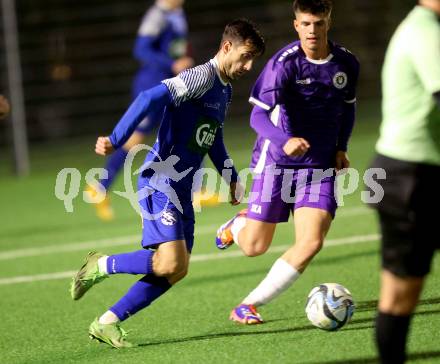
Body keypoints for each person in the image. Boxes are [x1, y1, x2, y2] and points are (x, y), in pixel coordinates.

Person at [70, 19, 265, 348]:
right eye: (244, 56)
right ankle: (100, 264)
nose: (247, 66)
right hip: (161, 180)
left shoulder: (225, 89)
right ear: (227, 47)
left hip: (182, 189)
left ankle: (106, 322)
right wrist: (117, 139)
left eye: (252, 61)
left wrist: (230, 177)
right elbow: (149, 96)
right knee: (172, 262)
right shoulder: (200, 76)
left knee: (174, 269)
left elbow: (212, 138)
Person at [216, 0, 359, 325]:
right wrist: (285, 140)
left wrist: (341, 147)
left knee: (311, 242)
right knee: (254, 246)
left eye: (318, 24)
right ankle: (239, 224)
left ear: (328, 22)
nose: (312, 30)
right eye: (306, 24)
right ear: (297, 25)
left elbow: (347, 108)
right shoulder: (284, 64)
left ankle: (247, 305)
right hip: (277, 162)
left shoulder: (347, 63)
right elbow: (257, 116)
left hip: (319, 166)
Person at [368, 1, 440, 363]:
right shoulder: (425, 30)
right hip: (409, 178)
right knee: (399, 296)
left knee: (402, 295)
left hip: (419, 175)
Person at [86, 0, 194, 221]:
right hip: (152, 85)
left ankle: (195, 189)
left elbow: (176, 46)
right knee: (135, 140)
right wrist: (171, 64)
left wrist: (181, 60)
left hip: (170, 83)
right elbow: (141, 49)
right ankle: (100, 187)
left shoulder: (177, 14)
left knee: (189, 124)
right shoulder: (157, 15)